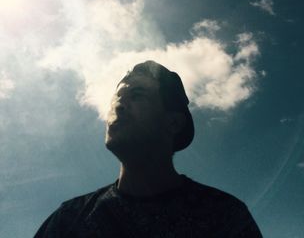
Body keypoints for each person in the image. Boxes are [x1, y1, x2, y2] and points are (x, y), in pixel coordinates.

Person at [34, 60, 262, 237]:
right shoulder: (69, 219)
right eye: (117, 98)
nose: (119, 106)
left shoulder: (222, 215)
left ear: (173, 123)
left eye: (137, 95)